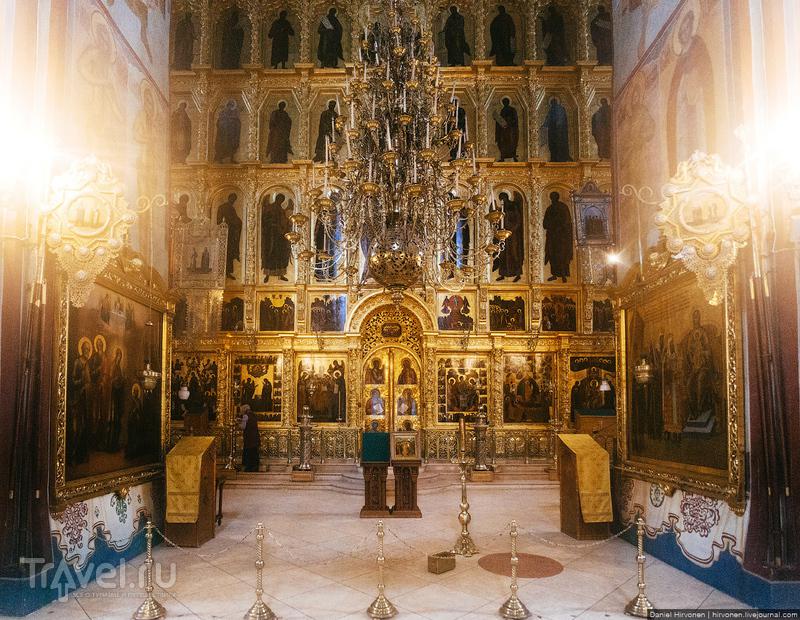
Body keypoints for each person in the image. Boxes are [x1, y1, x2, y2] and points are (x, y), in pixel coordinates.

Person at [260, 193, 292, 281]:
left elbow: (284, 221)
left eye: (282, 200)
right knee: (270, 254)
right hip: (271, 235)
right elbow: (264, 220)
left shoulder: (281, 210)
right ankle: (267, 274)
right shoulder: (269, 208)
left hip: (280, 236)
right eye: (279, 199)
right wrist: (273, 224)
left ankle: (281, 274)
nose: (280, 201)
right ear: (277, 199)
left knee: (280, 254)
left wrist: (287, 223)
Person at [492, 192, 523, 281]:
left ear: (506, 197)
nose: (502, 200)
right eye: (501, 199)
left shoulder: (513, 206)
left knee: (514, 253)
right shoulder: (501, 208)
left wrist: (511, 229)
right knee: (502, 254)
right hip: (502, 234)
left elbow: (518, 220)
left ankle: (518, 274)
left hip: (513, 235)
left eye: (503, 198)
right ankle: (503, 274)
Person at [543, 191, 573, 282]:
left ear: (557, 197)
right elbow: (545, 223)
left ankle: (563, 274)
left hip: (562, 237)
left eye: (554, 197)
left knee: (562, 255)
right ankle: (554, 274)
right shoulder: (549, 209)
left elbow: (567, 221)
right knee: (552, 255)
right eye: (551, 197)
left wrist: (559, 227)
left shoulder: (563, 207)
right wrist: (552, 226)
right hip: (552, 237)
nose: (552, 199)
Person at [216, 193, 242, 278]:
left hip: (231, 234)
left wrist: (238, 221)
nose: (233, 201)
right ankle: (221, 272)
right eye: (232, 199)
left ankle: (227, 272)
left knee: (229, 253)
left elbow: (235, 219)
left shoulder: (231, 208)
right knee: (223, 252)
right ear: (229, 198)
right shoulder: (223, 207)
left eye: (234, 200)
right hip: (224, 234)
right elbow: (219, 221)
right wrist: (229, 222)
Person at [543, 97, 571, 162]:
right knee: (554, 144)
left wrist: (545, 124)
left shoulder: (558, 109)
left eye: (553, 102)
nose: (553, 104)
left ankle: (560, 158)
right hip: (555, 131)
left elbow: (562, 120)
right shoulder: (553, 109)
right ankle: (554, 158)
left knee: (558, 144)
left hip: (559, 131)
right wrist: (544, 125)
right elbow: (548, 118)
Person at [239, 404, 260, 472]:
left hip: (249, 438)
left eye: (241, 410)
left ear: (244, 410)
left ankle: (249, 467)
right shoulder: (254, 415)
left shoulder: (245, 416)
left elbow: (243, 427)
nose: (241, 411)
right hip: (255, 437)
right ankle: (255, 467)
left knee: (249, 453)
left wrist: (238, 423)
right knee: (255, 452)